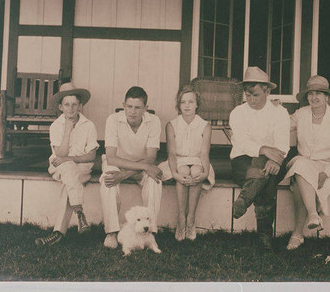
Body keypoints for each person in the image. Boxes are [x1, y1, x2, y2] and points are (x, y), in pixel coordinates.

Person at [283, 75, 330, 250]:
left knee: (299, 179)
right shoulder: (301, 114)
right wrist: (275, 110)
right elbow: (281, 124)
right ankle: (313, 214)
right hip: (306, 164)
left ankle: (297, 234)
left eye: (319, 93)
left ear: (327, 97)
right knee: (301, 166)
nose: (314, 97)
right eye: (311, 93)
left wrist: (326, 172)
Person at [229, 66, 290, 250]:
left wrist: (275, 160)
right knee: (266, 177)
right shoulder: (238, 113)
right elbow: (241, 142)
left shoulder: (279, 112)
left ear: (267, 91)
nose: (251, 100)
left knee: (265, 170)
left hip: (274, 161)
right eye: (248, 95)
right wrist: (264, 149)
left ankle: (245, 199)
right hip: (243, 162)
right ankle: (264, 236)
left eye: (255, 95)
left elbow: (282, 144)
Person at [35, 82, 99, 247]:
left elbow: (92, 156)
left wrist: (71, 159)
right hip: (60, 167)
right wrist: (68, 130)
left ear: (80, 106)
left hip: (82, 168)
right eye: (66, 105)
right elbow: (60, 155)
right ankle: (79, 212)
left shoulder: (89, 125)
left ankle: (58, 233)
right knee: (68, 169)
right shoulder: (56, 126)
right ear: (60, 107)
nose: (70, 108)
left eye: (74, 104)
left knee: (69, 180)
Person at [99, 86, 163, 249]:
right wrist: (124, 174)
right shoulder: (113, 120)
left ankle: (150, 233)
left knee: (155, 181)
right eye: (129, 106)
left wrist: (126, 174)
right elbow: (111, 157)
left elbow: (151, 158)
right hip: (118, 164)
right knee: (108, 181)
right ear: (123, 105)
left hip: (141, 167)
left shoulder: (153, 121)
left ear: (145, 108)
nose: (132, 112)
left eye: (137, 107)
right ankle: (111, 232)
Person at [158, 86, 215, 241]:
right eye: (183, 102)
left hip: (197, 160)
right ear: (179, 105)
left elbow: (204, 153)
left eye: (191, 102)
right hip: (177, 161)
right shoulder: (172, 124)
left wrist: (205, 172)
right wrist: (175, 174)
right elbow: (171, 153)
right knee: (183, 171)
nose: (187, 105)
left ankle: (191, 219)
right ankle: (181, 219)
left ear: (197, 104)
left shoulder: (205, 125)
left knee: (196, 171)